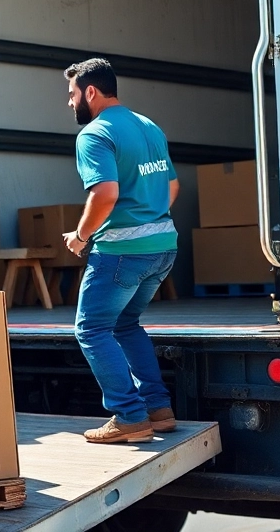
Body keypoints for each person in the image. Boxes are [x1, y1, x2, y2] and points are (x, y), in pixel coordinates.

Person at [61, 58, 180, 444]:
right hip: (163, 247)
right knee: (126, 325)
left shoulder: (94, 134)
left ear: (90, 92)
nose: (70, 102)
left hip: (122, 253)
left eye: (72, 94)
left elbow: (106, 192)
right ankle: (158, 409)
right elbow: (172, 187)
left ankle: (129, 416)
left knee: (91, 329)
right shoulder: (149, 126)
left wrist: (81, 235)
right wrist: (148, 217)